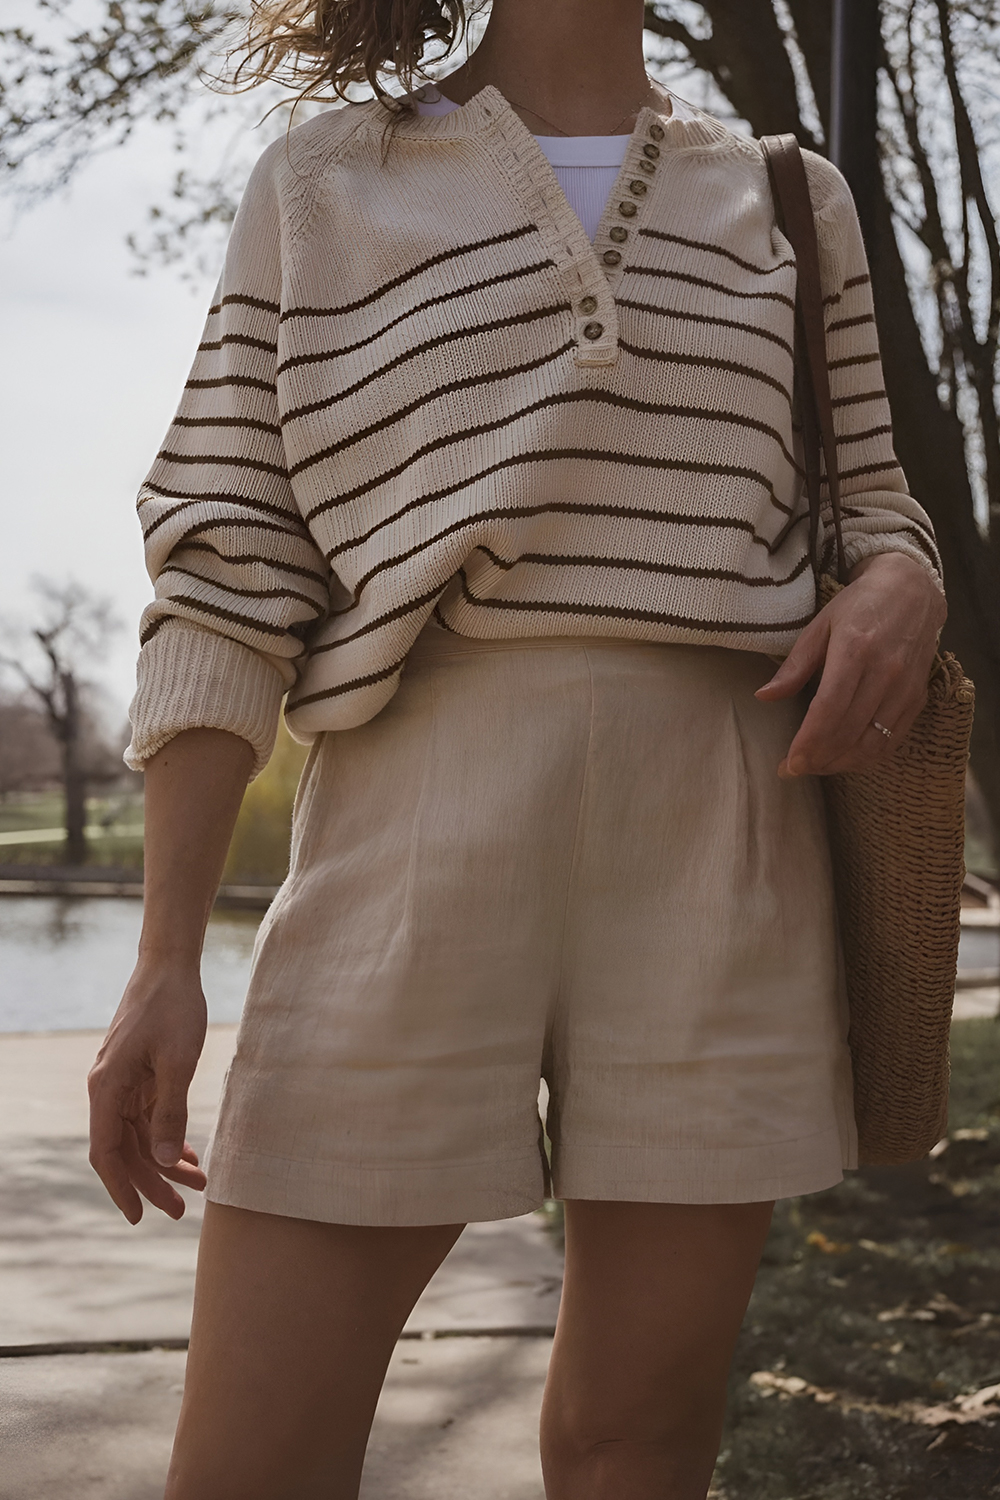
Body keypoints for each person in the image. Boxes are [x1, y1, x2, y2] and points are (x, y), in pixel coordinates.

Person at [87, 1, 947, 1496]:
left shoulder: (793, 195)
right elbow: (226, 573)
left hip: (727, 835)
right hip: (414, 828)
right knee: (251, 1463)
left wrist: (908, 580)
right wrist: (165, 956)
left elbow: (874, 504)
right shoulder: (320, 183)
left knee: (637, 1445)